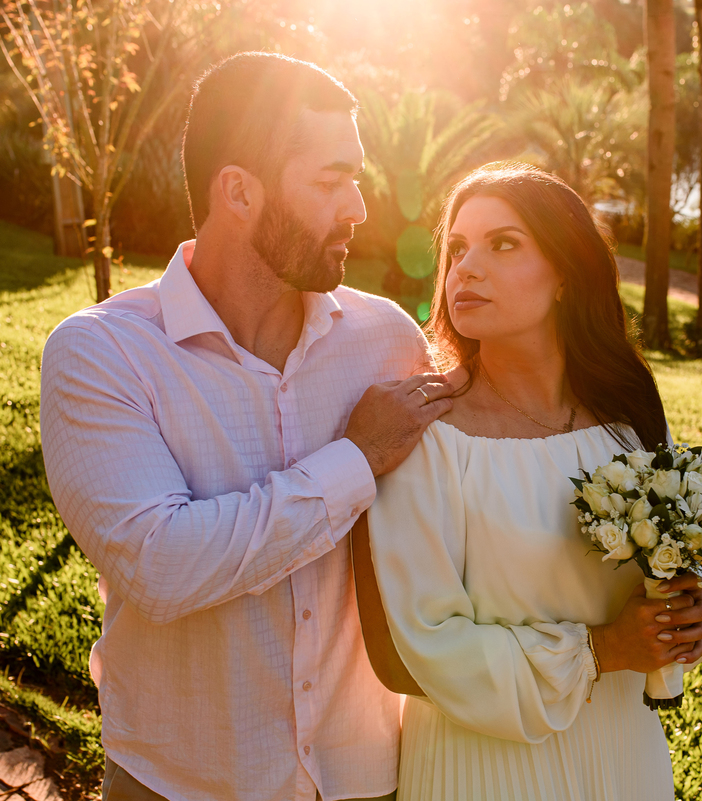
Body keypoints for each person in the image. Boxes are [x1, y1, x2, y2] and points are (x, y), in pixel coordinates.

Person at [39, 52, 455, 801]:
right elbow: (162, 566)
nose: (358, 206)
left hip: (363, 777)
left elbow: (461, 513)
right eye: (330, 181)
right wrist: (355, 460)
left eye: (354, 177)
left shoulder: (387, 339)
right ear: (238, 190)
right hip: (178, 782)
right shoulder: (101, 353)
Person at [353, 164, 702, 800]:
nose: (465, 268)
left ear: (566, 272)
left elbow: (672, 563)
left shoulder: (627, 416)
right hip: (481, 767)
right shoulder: (424, 432)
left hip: (622, 755)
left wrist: (688, 608)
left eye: (502, 243)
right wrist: (601, 650)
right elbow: (405, 653)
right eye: (456, 248)